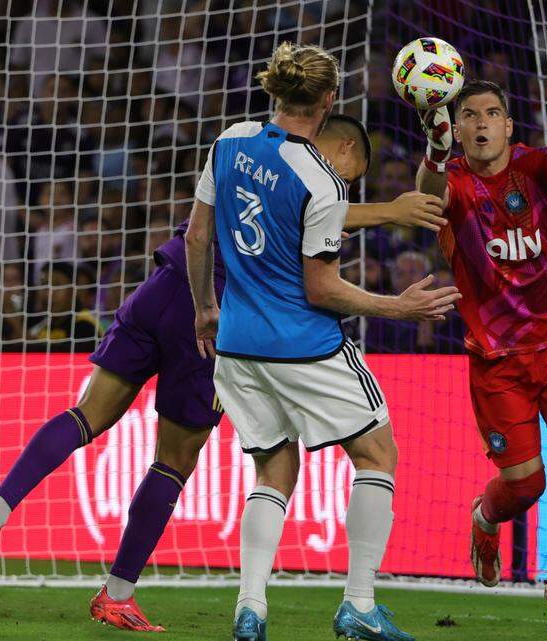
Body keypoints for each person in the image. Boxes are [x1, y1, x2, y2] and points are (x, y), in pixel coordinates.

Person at [0, 112, 445, 633]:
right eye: (352, 172)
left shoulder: (239, 141)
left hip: (162, 288)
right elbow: (322, 211)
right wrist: (390, 210)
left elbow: (204, 231)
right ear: (344, 146)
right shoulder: (313, 177)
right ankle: (117, 594)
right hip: (214, 315)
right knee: (172, 462)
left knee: (85, 417)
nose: (345, 184)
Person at [187, 43, 458, 641]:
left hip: (236, 345)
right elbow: (321, 289)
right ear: (329, 99)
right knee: (377, 455)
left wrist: (206, 307)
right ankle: (358, 603)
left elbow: (197, 236)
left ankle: (250, 609)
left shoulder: (228, 141)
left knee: (273, 471)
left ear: (275, 91)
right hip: (304, 349)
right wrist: (398, 305)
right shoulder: (322, 179)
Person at [414, 74, 547, 634]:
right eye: (469, 115)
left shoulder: (532, 166)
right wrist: (434, 146)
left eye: (491, 113)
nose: (480, 123)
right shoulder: (451, 183)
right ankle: (484, 518)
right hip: (499, 363)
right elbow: (429, 196)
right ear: (457, 129)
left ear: (508, 125)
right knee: (525, 486)